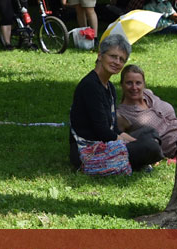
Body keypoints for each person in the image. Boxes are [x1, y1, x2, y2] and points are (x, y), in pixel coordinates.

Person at [68, 35, 162, 172]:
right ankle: (145, 157)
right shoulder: (90, 86)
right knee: (150, 147)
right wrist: (139, 145)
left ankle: (144, 157)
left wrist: (136, 143)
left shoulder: (109, 87)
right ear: (100, 56)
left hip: (107, 141)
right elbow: (103, 133)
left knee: (150, 132)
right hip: (90, 150)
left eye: (121, 59)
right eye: (113, 56)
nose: (117, 62)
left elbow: (114, 129)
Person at [118, 64, 177, 159]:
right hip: (175, 145)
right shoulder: (122, 114)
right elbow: (118, 140)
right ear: (122, 85)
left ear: (144, 84)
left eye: (138, 83)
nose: (134, 87)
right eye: (129, 83)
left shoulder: (148, 93)